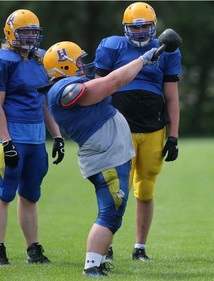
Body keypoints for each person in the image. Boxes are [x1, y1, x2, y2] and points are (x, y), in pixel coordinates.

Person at [41, 41, 158, 276]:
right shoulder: (61, 89)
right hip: (105, 157)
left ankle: (99, 261)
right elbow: (113, 82)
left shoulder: (66, 84)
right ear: (63, 67)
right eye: (78, 62)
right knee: (109, 212)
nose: (83, 66)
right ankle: (91, 267)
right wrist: (142, 60)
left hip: (111, 154)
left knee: (114, 211)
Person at [94, 1, 182, 261]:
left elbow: (173, 98)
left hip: (154, 128)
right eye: (135, 27)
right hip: (119, 128)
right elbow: (98, 89)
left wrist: (174, 135)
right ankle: (105, 245)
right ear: (125, 28)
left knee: (145, 190)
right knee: (115, 190)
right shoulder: (112, 46)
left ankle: (139, 248)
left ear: (154, 27)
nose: (141, 32)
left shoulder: (165, 50)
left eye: (145, 26)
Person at [0, 9, 65, 266]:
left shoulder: (41, 58)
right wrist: (6, 142)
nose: (30, 37)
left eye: (33, 32)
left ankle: (33, 250)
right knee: (4, 193)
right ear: (10, 33)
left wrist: (57, 136)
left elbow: (43, 102)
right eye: (24, 32)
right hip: (12, 136)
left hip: (36, 138)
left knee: (30, 195)